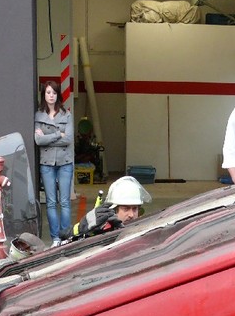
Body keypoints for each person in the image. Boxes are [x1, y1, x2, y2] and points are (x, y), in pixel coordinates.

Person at [34, 80, 74, 246]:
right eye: (48, 92)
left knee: (64, 202)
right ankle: (55, 238)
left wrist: (47, 137)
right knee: (51, 202)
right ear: (44, 95)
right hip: (47, 162)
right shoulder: (39, 115)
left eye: (54, 93)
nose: (51, 96)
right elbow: (38, 140)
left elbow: (69, 139)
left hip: (65, 162)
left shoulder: (67, 115)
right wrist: (59, 134)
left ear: (58, 95)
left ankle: (65, 237)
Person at [71, 175, 151, 238]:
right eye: (126, 209)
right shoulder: (103, 231)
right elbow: (65, 235)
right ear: (114, 210)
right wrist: (84, 226)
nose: (131, 215)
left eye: (134, 209)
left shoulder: (144, 231)